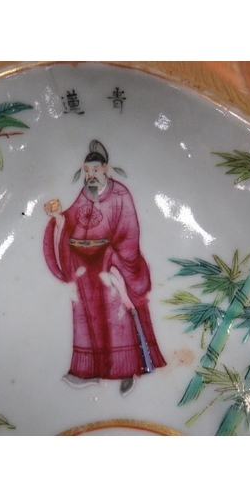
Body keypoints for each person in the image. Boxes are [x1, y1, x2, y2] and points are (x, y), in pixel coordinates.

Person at [43, 140, 166, 396]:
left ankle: (128, 370)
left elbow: (130, 232)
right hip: (84, 266)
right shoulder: (84, 194)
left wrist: (115, 258)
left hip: (112, 262)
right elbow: (72, 219)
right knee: (86, 314)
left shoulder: (120, 194)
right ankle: (88, 371)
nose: (91, 175)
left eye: (96, 170)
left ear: (106, 169)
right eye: (87, 171)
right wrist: (59, 218)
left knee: (117, 314)